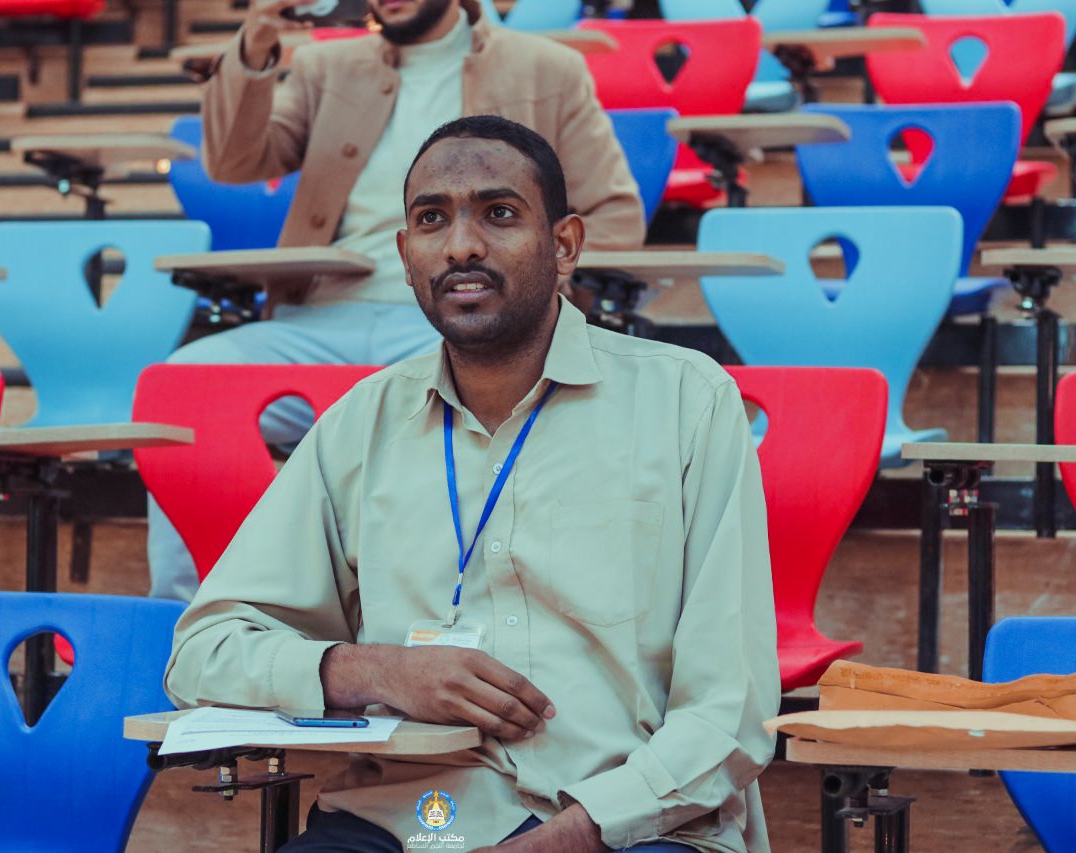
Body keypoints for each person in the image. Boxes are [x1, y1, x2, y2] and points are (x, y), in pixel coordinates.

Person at [164, 115, 779, 853]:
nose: (461, 246)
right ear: (405, 255)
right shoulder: (362, 423)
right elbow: (203, 651)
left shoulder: (687, 402)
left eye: (499, 213)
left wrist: (573, 835)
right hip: (401, 821)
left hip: (628, 826)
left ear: (565, 246)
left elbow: (730, 708)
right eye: (432, 219)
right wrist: (375, 670)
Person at [149, 0, 644, 600]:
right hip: (322, 314)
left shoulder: (546, 68)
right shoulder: (326, 67)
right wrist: (256, 41)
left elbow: (616, 217)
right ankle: (187, 621)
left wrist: (521, 282)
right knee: (187, 386)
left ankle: (455, 612)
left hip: (461, 329)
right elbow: (232, 161)